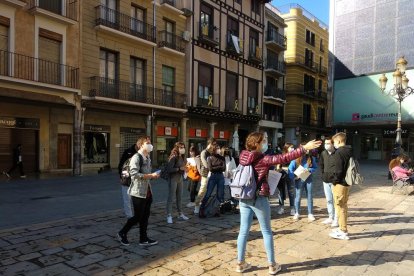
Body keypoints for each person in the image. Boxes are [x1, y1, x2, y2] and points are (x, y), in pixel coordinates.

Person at [236, 132, 321, 274]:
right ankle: (272, 265)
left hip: (244, 197)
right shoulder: (262, 158)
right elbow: (284, 157)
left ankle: (240, 263)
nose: (265, 144)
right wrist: (304, 148)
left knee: (243, 231)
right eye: (263, 141)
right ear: (256, 143)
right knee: (267, 231)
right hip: (259, 197)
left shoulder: (243, 156)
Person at [117, 136, 159, 246]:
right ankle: (122, 232)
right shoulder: (136, 157)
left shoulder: (147, 157)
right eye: (147, 143)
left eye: (150, 142)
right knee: (137, 216)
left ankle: (143, 238)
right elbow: (134, 174)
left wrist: (152, 176)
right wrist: (150, 175)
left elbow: (146, 174)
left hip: (147, 191)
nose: (150, 145)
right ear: (141, 145)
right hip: (138, 192)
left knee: (145, 216)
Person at [329, 132, 352, 240]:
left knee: (340, 207)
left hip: (340, 183)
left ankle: (343, 231)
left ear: (338, 141)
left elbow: (338, 170)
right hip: (347, 182)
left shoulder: (339, 152)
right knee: (343, 206)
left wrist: (334, 181)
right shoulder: (350, 150)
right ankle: (341, 228)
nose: (333, 144)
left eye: (334, 142)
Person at [288, 143, 318, 221]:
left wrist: (309, 170)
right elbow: (290, 169)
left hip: (309, 179)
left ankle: (310, 213)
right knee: (298, 196)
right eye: (306, 149)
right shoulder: (295, 158)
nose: (307, 150)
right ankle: (297, 212)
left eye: (308, 149)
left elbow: (315, 167)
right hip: (299, 179)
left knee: (310, 196)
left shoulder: (311, 158)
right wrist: (293, 177)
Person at [199, 143, 226, 217]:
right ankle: (201, 209)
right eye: (217, 148)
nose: (219, 150)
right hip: (213, 177)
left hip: (221, 176)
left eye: (219, 148)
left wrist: (216, 167)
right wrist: (219, 166)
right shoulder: (209, 158)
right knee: (208, 194)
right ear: (213, 150)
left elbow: (224, 168)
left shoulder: (222, 158)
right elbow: (210, 169)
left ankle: (216, 209)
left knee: (220, 194)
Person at [166, 142, 189, 224]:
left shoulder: (182, 156)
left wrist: (186, 169)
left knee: (179, 197)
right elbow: (169, 169)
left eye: (183, 147)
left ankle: (180, 213)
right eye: (181, 147)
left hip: (180, 178)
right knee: (171, 197)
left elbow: (184, 167)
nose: (183, 148)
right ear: (177, 148)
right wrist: (180, 168)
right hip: (173, 178)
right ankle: (169, 215)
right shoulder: (173, 156)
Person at [319, 137, 338, 227]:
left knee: (336, 201)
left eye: (328, 143)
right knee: (329, 200)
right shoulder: (323, 153)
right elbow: (321, 165)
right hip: (325, 181)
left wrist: (336, 178)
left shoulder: (337, 153)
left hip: (335, 181)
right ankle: (331, 216)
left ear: (333, 144)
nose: (326, 145)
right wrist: (323, 176)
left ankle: (336, 219)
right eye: (325, 143)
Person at [194, 138, 216, 214]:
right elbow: (205, 164)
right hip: (205, 173)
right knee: (203, 189)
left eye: (215, 144)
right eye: (213, 144)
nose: (214, 146)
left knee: (208, 190)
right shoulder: (204, 152)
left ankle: (203, 204)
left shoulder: (212, 152)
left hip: (212, 173)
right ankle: (197, 204)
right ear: (209, 144)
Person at [118, 142, 139, 218]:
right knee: (127, 199)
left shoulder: (143, 153)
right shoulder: (128, 151)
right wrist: (124, 178)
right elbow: (121, 165)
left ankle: (137, 216)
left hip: (138, 180)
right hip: (127, 179)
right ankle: (129, 216)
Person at [276, 143, 296, 216]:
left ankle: (292, 208)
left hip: (291, 175)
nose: (292, 149)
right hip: (282, 175)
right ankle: (281, 207)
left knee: (291, 192)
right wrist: (279, 169)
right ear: (286, 148)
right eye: (291, 147)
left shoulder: (294, 156)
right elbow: (278, 166)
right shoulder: (282, 155)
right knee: (281, 192)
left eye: (293, 147)